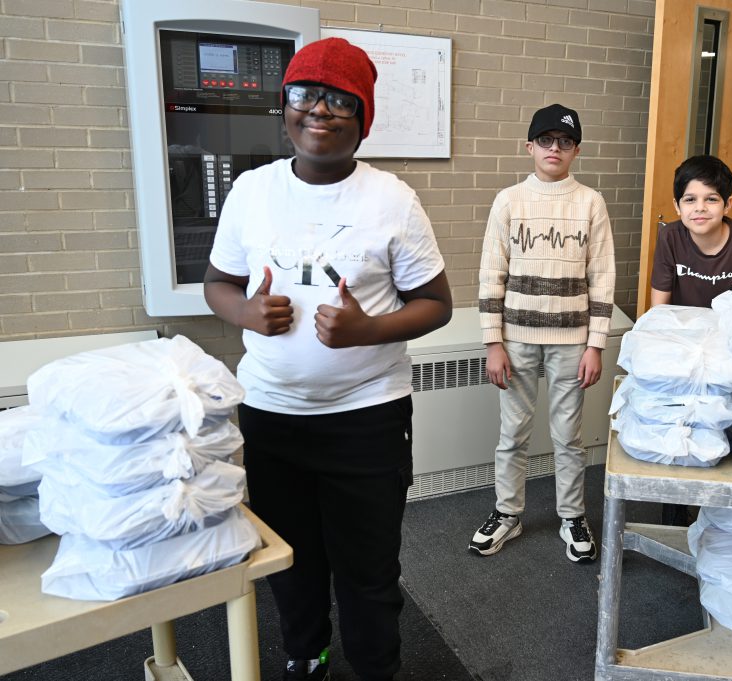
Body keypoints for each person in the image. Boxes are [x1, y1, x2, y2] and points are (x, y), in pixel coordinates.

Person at [204, 37, 452, 681]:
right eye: (304, 94)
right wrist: (247, 313)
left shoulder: (392, 198)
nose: (320, 110)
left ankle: (375, 670)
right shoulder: (252, 191)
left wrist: (367, 329)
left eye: (341, 100)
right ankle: (306, 655)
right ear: (284, 107)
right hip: (271, 415)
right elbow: (218, 283)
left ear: (362, 120)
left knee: (368, 568)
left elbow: (436, 304)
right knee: (291, 559)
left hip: (366, 418)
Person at [470, 104, 616, 563]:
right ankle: (507, 513)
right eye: (546, 140)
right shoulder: (508, 200)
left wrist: (595, 345)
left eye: (565, 142)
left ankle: (572, 516)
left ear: (576, 150)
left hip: (572, 342)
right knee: (512, 433)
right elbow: (491, 274)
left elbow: (603, 277)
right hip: (516, 339)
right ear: (530, 146)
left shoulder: (591, 202)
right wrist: (494, 342)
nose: (555, 149)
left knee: (568, 437)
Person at [650, 154, 732, 526]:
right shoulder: (670, 237)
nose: (699, 208)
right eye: (690, 199)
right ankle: (675, 514)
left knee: (731, 432)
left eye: (711, 199)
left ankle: (728, 517)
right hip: (687, 351)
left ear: (728, 204)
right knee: (682, 430)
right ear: (677, 205)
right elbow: (660, 310)